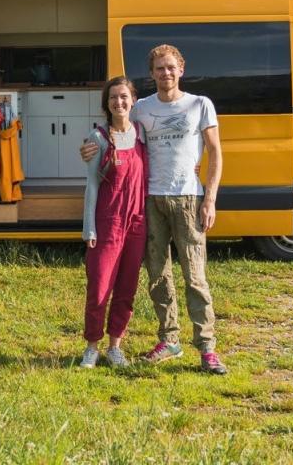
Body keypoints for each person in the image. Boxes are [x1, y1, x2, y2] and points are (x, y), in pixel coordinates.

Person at [81, 44, 226, 374]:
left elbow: (216, 153)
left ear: (181, 69)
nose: (166, 73)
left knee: (195, 277)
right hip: (150, 202)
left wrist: (210, 198)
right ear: (152, 74)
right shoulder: (141, 108)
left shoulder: (200, 105)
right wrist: (88, 148)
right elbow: (114, 133)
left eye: (171, 67)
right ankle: (170, 339)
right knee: (158, 277)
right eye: (159, 68)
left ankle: (207, 348)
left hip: (189, 198)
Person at [79, 76, 149, 369]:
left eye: (123, 97)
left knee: (126, 288)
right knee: (99, 286)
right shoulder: (98, 138)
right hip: (107, 221)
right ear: (106, 105)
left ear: (133, 100)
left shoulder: (143, 133)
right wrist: (89, 226)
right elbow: (92, 184)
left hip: (137, 222)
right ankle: (92, 347)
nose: (118, 103)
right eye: (113, 98)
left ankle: (115, 346)